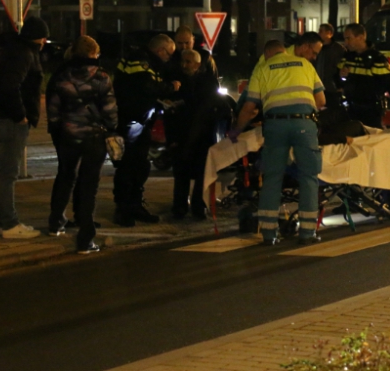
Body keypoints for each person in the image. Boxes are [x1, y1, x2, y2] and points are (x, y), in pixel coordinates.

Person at [232, 39, 326, 245]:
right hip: (304, 124)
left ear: (267, 54)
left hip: (275, 126)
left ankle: (268, 234)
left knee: (272, 177)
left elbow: (249, 107)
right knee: (309, 177)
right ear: (284, 51)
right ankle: (308, 233)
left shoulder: (263, 68)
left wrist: (237, 130)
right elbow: (321, 102)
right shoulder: (305, 64)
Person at [46, 36, 117, 254]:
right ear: (94, 53)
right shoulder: (102, 77)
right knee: (89, 187)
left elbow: (53, 110)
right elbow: (110, 110)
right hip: (94, 138)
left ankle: (55, 222)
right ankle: (85, 239)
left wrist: (59, 131)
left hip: (68, 136)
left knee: (65, 175)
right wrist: (112, 129)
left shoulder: (61, 75)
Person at [0, 17, 49, 239]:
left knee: (6, 173)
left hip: (3, 118)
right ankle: (9, 224)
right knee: (8, 174)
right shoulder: (24, 54)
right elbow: (10, 87)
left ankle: (8, 222)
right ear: (39, 37)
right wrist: (21, 116)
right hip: (11, 121)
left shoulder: (12, 50)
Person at [113, 33, 180, 227]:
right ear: (161, 50)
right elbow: (144, 86)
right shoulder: (139, 61)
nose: (168, 58)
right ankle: (123, 209)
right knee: (128, 166)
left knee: (140, 165)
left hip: (141, 122)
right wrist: (169, 88)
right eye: (169, 54)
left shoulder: (149, 63)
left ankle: (135, 205)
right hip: (130, 121)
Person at [167, 48, 223, 219]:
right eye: (183, 61)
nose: (184, 65)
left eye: (188, 62)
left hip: (202, 134)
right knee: (181, 173)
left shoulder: (208, 81)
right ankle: (179, 207)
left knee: (201, 174)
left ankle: (199, 207)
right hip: (182, 133)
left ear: (198, 64)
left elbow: (209, 106)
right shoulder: (176, 80)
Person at [338, 23, 390, 129]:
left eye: (348, 38)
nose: (346, 43)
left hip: (371, 113)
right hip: (351, 111)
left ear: (361, 37)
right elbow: (338, 81)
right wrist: (342, 76)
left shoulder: (377, 59)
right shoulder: (348, 57)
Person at [315, 23, 345, 97]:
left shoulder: (338, 49)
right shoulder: (317, 48)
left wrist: (339, 85)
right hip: (318, 87)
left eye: (321, 31)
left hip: (332, 89)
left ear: (329, 33)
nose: (318, 33)